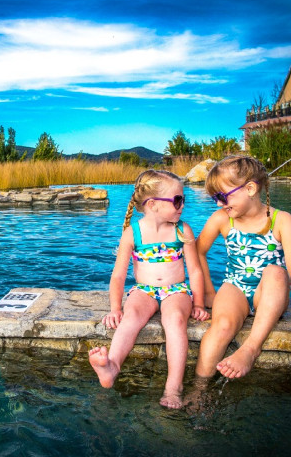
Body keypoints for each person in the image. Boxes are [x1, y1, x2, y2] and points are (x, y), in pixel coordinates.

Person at [194, 155, 291, 381]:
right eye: (215, 198)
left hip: (269, 294)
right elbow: (198, 251)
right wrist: (207, 291)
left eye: (222, 196)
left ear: (250, 188)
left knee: (276, 272)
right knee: (221, 326)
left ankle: (250, 349)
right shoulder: (222, 219)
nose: (218, 203)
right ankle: (199, 388)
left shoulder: (282, 220)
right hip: (235, 287)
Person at [88, 170, 209, 409]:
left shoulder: (182, 230)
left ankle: (174, 386)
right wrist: (115, 308)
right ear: (152, 204)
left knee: (174, 319)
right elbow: (119, 275)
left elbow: (195, 270)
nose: (182, 205)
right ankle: (111, 367)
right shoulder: (133, 233)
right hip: (144, 290)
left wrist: (198, 304)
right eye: (177, 200)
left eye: (183, 199)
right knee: (130, 317)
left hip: (177, 290)